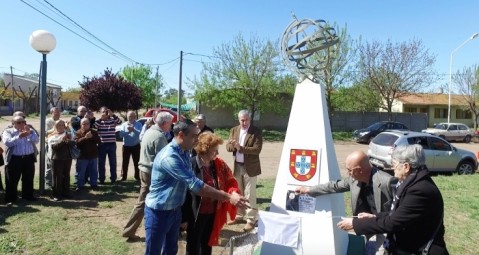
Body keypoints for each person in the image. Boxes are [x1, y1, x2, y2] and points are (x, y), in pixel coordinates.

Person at [144, 119, 247, 255]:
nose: (197, 140)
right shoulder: (169, 157)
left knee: (171, 250)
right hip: (159, 212)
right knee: (154, 252)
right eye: (194, 136)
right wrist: (228, 197)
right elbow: (195, 185)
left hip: (174, 211)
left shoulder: (185, 152)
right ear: (181, 135)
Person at [337, 145, 449, 255]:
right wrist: (375, 216)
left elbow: (393, 223)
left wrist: (355, 224)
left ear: (406, 167)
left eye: (394, 165)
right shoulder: (414, 183)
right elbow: (400, 214)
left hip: (419, 249)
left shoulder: (420, 191)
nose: (392, 169)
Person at [296, 151, 397, 254]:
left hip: (384, 227)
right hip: (368, 228)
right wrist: (309, 190)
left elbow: (400, 211)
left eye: (349, 170)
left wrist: (375, 218)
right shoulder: (353, 180)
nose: (348, 173)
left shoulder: (387, 182)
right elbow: (334, 186)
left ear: (359, 170)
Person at [182, 132, 240, 255]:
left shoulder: (217, 164)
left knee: (207, 246)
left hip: (212, 213)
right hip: (195, 215)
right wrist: (184, 218)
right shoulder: (190, 165)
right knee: (193, 247)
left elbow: (230, 181)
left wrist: (234, 193)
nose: (217, 153)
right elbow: (184, 194)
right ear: (205, 150)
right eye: (215, 150)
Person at [122, 112, 174, 239]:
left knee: (146, 201)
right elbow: (163, 159)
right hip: (151, 172)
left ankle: (132, 230)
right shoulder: (158, 136)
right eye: (170, 123)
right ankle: (129, 230)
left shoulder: (151, 131)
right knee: (144, 202)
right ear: (164, 123)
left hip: (145, 170)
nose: (171, 126)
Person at [225, 110, 263, 232]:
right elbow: (228, 147)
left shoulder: (256, 131)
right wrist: (232, 145)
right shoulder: (234, 130)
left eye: (246, 120)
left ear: (250, 119)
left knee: (250, 194)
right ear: (238, 120)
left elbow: (257, 150)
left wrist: (240, 148)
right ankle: (239, 215)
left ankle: (251, 219)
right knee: (239, 192)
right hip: (238, 166)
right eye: (242, 120)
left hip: (250, 168)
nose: (244, 122)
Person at [2, 116, 39, 205]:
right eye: (19, 122)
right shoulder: (8, 131)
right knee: (12, 180)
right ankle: (11, 198)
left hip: (28, 157)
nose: (22, 124)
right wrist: (19, 136)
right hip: (15, 158)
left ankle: (28, 196)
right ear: (13, 123)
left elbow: (37, 140)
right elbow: (8, 142)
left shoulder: (29, 130)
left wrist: (29, 133)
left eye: (23, 122)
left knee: (28, 178)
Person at [47, 120, 74, 201]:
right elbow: (54, 147)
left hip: (67, 158)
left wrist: (69, 141)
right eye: (59, 125)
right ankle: (56, 194)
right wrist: (62, 141)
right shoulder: (52, 136)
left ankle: (66, 193)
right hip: (56, 159)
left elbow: (73, 144)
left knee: (66, 176)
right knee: (57, 177)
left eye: (63, 125)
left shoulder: (68, 135)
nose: (61, 127)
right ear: (55, 126)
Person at [94, 106, 122, 184]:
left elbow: (120, 122)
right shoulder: (99, 121)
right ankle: (101, 179)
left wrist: (112, 114)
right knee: (101, 163)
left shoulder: (112, 121)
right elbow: (94, 126)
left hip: (112, 144)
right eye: (103, 112)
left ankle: (113, 179)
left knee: (113, 162)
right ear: (100, 113)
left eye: (106, 112)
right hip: (102, 144)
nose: (105, 113)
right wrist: (101, 119)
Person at [75, 118, 101, 190]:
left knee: (94, 171)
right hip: (82, 156)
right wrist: (85, 138)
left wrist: (92, 137)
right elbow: (77, 143)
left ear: (89, 124)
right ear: (81, 125)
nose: (85, 125)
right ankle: (80, 185)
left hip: (93, 155)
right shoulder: (78, 132)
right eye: (84, 124)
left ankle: (94, 184)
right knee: (81, 172)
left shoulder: (94, 132)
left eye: (87, 123)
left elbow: (99, 141)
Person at [118, 111, 142, 181]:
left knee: (137, 162)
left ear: (135, 117)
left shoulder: (139, 124)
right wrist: (128, 131)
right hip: (126, 146)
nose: (130, 118)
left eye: (132, 116)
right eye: (129, 116)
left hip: (136, 146)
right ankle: (123, 176)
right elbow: (120, 135)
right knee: (125, 162)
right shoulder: (124, 124)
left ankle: (137, 176)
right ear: (127, 117)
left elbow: (140, 134)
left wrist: (133, 130)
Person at [45, 107, 61, 189]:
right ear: (51, 113)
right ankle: (48, 183)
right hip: (50, 145)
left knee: (58, 165)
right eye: (56, 112)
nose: (58, 114)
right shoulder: (48, 121)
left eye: (59, 112)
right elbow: (46, 132)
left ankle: (57, 182)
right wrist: (56, 128)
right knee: (49, 164)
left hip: (59, 144)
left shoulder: (60, 121)